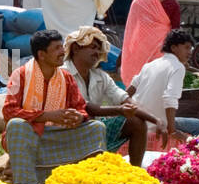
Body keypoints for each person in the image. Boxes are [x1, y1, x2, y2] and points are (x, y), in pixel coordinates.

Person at [3, 29, 105, 184]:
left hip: (58, 136)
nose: (63, 52)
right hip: (31, 135)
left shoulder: (66, 77)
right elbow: (9, 111)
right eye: (57, 48)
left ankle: (88, 183)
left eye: (61, 47)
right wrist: (48, 116)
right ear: (42, 55)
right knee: (15, 125)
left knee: (96, 127)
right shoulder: (19, 75)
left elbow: (80, 106)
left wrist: (79, 116)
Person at [64, 25, 156, 166]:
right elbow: (88, 108)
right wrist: (120, 110)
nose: (96, 52)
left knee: (137, 122)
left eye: (98, 49)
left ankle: (135, 172)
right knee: (97, 126)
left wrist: (157, 121)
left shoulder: (100, 76)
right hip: (70, 130)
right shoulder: (64, 73)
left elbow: (124, 98)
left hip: (94, 127)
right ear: (76, 49)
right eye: (92, 47)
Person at [130, 29, 199, 149]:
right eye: (186, 47)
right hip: (157, 124)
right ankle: (190, 156)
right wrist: (172, 130)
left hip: (138, 119)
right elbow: (170, 99)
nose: (190, 52)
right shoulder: (178, 67)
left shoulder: (150, 64)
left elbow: (130, 90)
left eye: (190, 48)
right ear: (174, 47)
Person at [120, 0, 181, 86]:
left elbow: (131, 28)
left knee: (138, 84)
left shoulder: (139, 0)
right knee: (157, 85)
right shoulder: (172, 5)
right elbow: (175, 31)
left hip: (140, 50)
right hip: (162, 51)